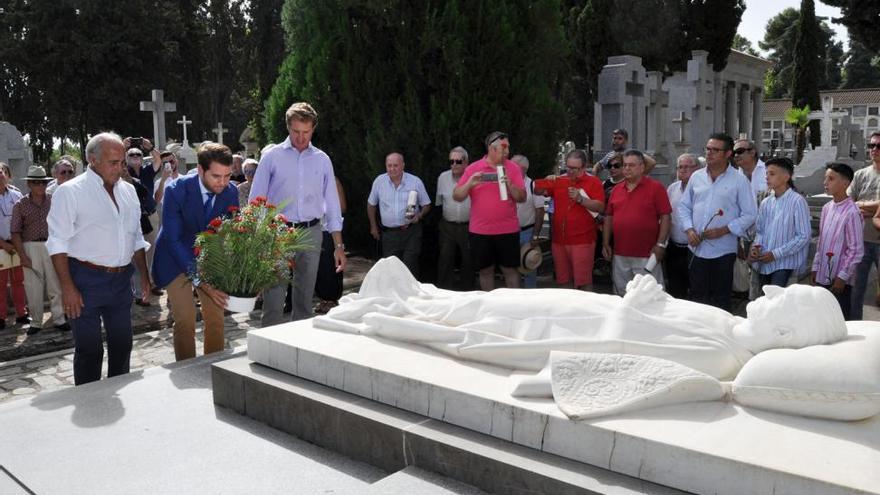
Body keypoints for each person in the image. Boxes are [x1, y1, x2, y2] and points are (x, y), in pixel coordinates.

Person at [317, 256, 846, 382]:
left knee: (483, 312)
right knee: (486, 302)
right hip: (584, 308)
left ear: (784, 334)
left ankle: (396, 307)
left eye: (783, 298)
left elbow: (624, 359)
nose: (771, 289)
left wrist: (638, 310)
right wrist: (647, 295)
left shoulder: (720, 356)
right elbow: (653, 311)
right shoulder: (724, 323)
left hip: (566, 329)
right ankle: (405, 301)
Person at [47, 132, 152, 385]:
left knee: (122, 345)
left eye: (122, 162)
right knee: (89, 351)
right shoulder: (70, 192)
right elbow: (57, 243)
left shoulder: (128, 191)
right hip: (84, 281)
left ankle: (118, 393)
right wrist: (68, 288)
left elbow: (135, 236)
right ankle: (88, 404)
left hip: (120, 282)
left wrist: (145, 278)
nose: (120, 168)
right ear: (92, 160)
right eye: (113, 162)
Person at [249, 102, 346, 325]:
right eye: (296, 132)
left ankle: (300, 348)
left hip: (311, 233)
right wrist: (258, 240)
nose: (301, 137)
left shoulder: (322, 159)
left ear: (313, 129)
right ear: (288, 128)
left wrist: (338, 246)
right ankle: (270, 350)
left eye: (306, 132)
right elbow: (256, 201)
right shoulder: (272, 157)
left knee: (304, 301)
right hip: (278, 233)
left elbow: (331, 203)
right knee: (273, 299)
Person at [152, 142, 238, 361]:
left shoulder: (231, 192)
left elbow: (228, 235)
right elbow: (173, 239)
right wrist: (199, 279)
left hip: (209, 257)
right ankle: (187, 370)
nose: (223, 183)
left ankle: (214, 367)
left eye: (228, 176)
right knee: (185, 319)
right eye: (216, 176)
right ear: (200, 170)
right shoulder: (176, 190)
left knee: (216, 317)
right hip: (175, 258)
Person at [677, 133, 757, 311]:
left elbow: (750, 214)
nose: (709, 153)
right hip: (696, 249)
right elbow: (684, 207)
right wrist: (689, 230)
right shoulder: (696, 177)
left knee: (720, 300)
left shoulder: (739, 180)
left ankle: (720, 335)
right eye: (708, 149)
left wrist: (725, 230)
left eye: (715, 150)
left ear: (728, 154)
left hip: (723, 251)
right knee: (698, 297)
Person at [453, 132, 526, 290]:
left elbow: (522, 197)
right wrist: (470, 184)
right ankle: (489, 308)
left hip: (507, 229)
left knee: (510, 270)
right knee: (485, 270)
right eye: (503, 147)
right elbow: (457, 196)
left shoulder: (513, 168)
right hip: (480, 231)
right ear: (491, 149)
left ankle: (516, 309)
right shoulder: (473, 168)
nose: (507, 152)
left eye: (508, 147)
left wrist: (510, 185)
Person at [603, 149, 671, 294]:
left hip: (647, 254)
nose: (627, 168)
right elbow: (609, 217)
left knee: (650, 296)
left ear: (642, 167)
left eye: (632, 165)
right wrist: (605, 243)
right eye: (625, 165)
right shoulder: (616, 190)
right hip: (620, 254)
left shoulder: (656, 188)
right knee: (622, 294)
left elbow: (666, 216)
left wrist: (660, 244)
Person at [534, 149, 603, 290]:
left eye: (575, 168)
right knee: (563, 281)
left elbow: (600, 207)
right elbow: (537, 191)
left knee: (583, 282)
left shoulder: (593, 182)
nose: (570, 171)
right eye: (568, 167)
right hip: (559, 240)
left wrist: (581, 199)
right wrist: (546, 181)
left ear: (584, 168)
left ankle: (587, 310)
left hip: (582, 240)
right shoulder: (560, 180)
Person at [11, 165, 67, 335]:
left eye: (42, 182)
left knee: (55, 284)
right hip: (30, 246)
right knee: (32, 286)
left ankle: (59, 318)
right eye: (36, 182)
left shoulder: (54, 200)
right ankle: (36, 322)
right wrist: (22, 255)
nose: (40, 186)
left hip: (52, 244)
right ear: (29, 184)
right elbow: (15, 231)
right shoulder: (21, 204)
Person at [748, 157, 810, 290]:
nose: (767, 177)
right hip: (764, 261)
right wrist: (755, 248)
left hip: (784, 263)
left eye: (772, 174)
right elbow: (760, 231)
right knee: (764, 301)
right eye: (766, 174)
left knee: (777, 301)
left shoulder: (797, 201)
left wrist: (776, 254)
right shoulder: (766, 202)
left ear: (786, 176)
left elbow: (803, 236)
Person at [367, 152, 431, 276]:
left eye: (395, 165)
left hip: (411, 232)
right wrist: (373, 226)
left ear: (403, 165)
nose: (392, 169)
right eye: (389, 165)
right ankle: (393, 295)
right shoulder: (379, 182)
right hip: (389, 234)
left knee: (410, 266)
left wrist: (419, 215)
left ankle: (412, 294)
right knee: (392, 269)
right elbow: (371, 205)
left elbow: (427, 204)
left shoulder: (415, 181)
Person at [816, 163, 864, 320]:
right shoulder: (827, 208)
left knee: (839, 319)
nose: (825, 183)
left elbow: (856, 249)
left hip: (839, 279)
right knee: (822, 317)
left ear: (845, 183)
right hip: (824, 273)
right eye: (825, 178)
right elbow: (821, 241)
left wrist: (843, 276)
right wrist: (816, 266)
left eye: (831, 179)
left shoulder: (852, 212)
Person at [848, 131, 880, 320]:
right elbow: (849, 204)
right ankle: (855, 329)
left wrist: (862, 207)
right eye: (871, 145)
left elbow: (856, 205)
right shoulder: (860, 175)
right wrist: (876, 206)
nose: (874, 149)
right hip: (860, 240)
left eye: (879, 146)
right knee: (855, 290)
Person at [435, 146, 473, 290]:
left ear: (466, 162)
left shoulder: (474, 178)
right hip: (447, 226)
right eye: (451, 161)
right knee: (445, 259)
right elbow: (439, 202)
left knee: (468, 260)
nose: (454, 165)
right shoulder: (443, 177)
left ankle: (468, 293)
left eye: (458, 161)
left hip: (469, 226)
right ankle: (443, 292)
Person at [664, 153, 700, 299]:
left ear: (697, 168)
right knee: (675, 288)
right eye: (679, 167)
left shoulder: (702, 190)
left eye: (687, 167)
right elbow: (666, 216)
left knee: (696, 288)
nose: (682, 170)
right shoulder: (672, 188)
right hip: (674, 247)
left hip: (695, 248)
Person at [511, 154, 546, 288]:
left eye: (513, 166)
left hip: (527, 232)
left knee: (529, 267)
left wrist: (535, 235)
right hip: (509, 232)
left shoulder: (533, 185)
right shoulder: (506, 184)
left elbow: (540, 211)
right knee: (511, 268)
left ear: (524, 169)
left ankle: (529, 298)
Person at [0, 162, 27, 329]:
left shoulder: (17, 195)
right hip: (0, 246)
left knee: (19, 282)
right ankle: (1, 317)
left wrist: (17, 242)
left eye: (2, 172)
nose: (0, 175)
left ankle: (22, 314)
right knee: (0, 285)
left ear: (7, 175)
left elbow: (24, 220)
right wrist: (2, 243)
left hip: (16, 244)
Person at [315, 177, 347, 314]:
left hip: (330, 230)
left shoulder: (334, 181)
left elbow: (342, 206)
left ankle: (332, 299)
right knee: (319, 266)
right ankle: (322, 298)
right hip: (314, 229)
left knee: (330, 264)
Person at [591, 129, 656, 178]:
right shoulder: (609, 155)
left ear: (626, 141)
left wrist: (639, 177)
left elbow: (652, 163)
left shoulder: (630, 154)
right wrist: (594, 172)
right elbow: (599, 164)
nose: (616, 141)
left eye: (620, 138)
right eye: (614, 138)